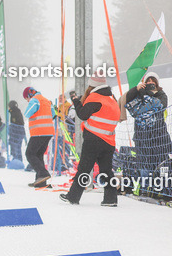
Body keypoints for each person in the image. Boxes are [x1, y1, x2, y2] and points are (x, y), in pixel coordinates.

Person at [61, 73, 119, 206]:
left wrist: (75, 100)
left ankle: (73, 197)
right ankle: (111, 199)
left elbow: (82, 114)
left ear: (92, 84)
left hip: (93, 140)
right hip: (109, 140)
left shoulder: (95, 97)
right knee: (106, 170)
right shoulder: (111, 97)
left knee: (84, 169)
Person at [124, 72, 172, 198]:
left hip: (159, 138)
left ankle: (162, 190)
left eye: (153, 81)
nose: (151, 83)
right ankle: (144, 188)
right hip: (142, 138)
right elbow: (131, 106)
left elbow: (159, 105)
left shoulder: (162, 95)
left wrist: (146, 97)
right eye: (148, 81)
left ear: (157, 83)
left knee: (162, 165)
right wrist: (136, 90)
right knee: (144, 165)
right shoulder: (139, 94)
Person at [22, 86, 55, 188]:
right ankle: (40, 182)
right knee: (38, 154)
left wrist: (31, 103)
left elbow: (27, 113)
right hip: (48, 132)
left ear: (29, 95)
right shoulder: (47, 101)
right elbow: (53, 114)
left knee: (29, 154)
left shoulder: (35, 100)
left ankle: (43, 173)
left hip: (39, 132)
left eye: (26, 98)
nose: (27, 101)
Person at [7, 100, 26, 164]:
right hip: (20, 133)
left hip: (15, 133)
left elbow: (15, 122)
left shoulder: (14, 112)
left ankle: (16, 161)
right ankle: (18, 160)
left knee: (15, 148)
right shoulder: (17, 111)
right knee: (18, 148)